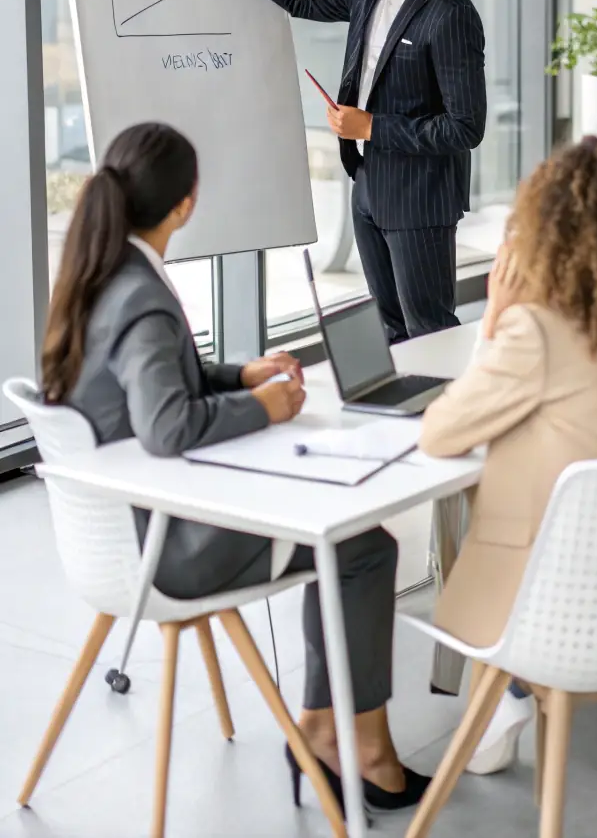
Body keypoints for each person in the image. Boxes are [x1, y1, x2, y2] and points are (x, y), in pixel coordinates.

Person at [41, 122, 429, 813]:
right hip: (166, 550)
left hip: (124, 534)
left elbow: (159, 378)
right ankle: (346, 742)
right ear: (186, 204)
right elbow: (167, 425)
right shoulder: (140, 295)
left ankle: (340, 735)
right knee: (362, 547)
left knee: (355, 542)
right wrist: (263, 406)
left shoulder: (104, 272)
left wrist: (239, 374)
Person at [418, 133, 597, 774]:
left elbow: (440, 433)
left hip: (546, 610)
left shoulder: (536, 333)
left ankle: (508, 691)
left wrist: (496, 317)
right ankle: (511, 694)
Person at [184, 0, 486, 343]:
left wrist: (372, 127)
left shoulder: (450, 14)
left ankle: (454, 395)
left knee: (430, 331)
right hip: (367, 185)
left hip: (419, 200)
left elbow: (465, 127)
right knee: (391, 330)